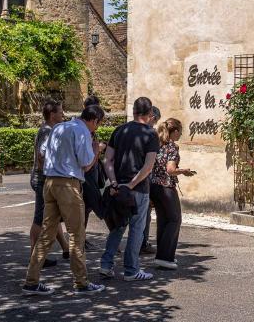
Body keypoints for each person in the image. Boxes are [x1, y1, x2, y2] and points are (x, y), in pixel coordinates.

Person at [23, 105, 106, 295]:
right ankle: (81, 282)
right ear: (94, 120)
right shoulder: (82, 131)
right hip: (68, 185)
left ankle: (31, 280)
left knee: (47, 234)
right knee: (77, 234)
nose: (97, 128)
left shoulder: (59, 127)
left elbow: (42, 154)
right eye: (98, 124)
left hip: (50, 183)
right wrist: (96, 151)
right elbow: (86, 165)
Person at [100, 97, 160, 282]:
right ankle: (131, 270)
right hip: (138, 189)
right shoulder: (150, 134)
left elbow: (107, 160)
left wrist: (116, 183)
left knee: (118, 227)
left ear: (133, 111)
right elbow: (148, 166)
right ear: (150, 113)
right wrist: (131, 185)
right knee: (137, 229)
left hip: (118, 188)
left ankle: (106, 265)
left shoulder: (119, 130)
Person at [150, 118, 195, 269]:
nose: (180, 136)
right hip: (166, 187)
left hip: (153, 186)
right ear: (174, 131)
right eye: (180, 133)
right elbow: (170, 169)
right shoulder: (172, 147)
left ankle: (161, 257)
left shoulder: (157, 144)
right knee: (175, 220)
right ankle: (165, 257)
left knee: (163, 220)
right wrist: (184, 171)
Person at [29, 100, 69, 268]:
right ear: (52, 115)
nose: (63, 115)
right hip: (42, 180)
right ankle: (35, 257)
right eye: (60, 112)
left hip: (43, 179)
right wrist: (48, 175)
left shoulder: (49, 129)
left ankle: (66, 248)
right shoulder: (47, 131)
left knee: (53, 216)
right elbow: (41, 157)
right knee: (40, 218)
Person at [81, 95, 107, 250]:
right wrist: (99, 149)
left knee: (86, 208)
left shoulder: (86, 125)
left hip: (91, 171)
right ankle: (80, 240)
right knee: (90, 206)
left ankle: (81, 239)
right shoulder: (86, 129)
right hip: (88, 172)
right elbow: (88, 155)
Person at [141, 105, 162, 256]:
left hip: (125, 178)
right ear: (152, 117)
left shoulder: (127, 130)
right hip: (143, 179)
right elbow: (152, 162)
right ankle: (142, 243)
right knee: (144, 214)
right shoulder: (151, 134)